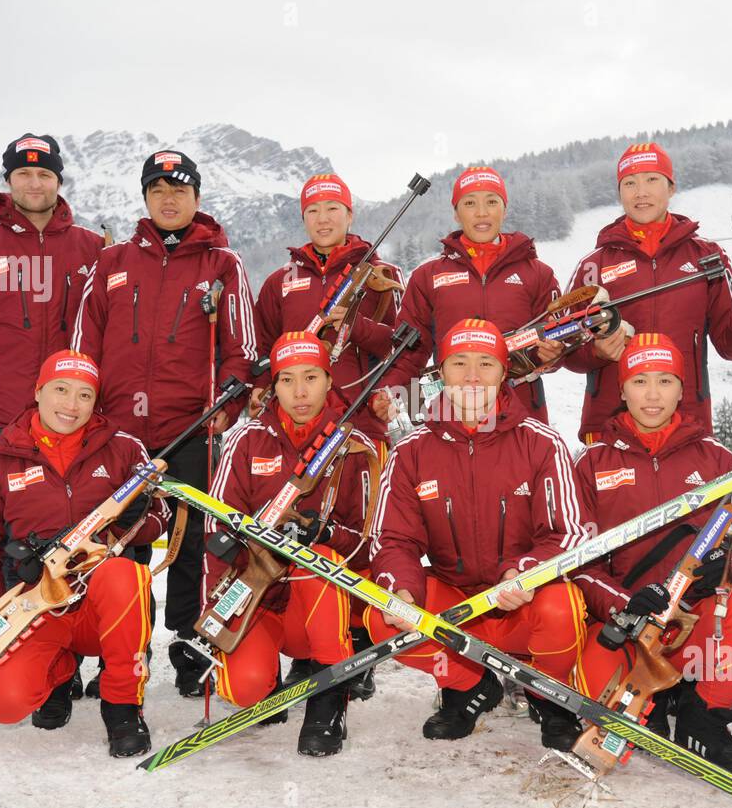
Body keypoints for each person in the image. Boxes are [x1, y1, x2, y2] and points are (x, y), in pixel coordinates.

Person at [72, 149, 255, 695]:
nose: (168, 198)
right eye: (158, 190)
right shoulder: (112, 263)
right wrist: (86, 411)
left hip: (192, 429)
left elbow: (241, 352)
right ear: (146, 198)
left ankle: (185, 644)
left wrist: (229, 403)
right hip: (118, 432)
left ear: (196, 198)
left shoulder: (223, 264)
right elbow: (83, 344)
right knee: (117, 540)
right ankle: (117, 647)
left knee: (192, 539)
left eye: (179, 189)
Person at [366, 319, 589, 748]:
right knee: (382, 613)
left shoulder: (542, 443)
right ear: (440, 373)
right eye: (459, 363)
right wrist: (402, 589)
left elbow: (568, 534)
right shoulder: (412, 451)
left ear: (505, 373)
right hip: (458, 606)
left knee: (563, 606)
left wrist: (523, 572)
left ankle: (550, 694)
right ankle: (468, 683)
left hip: (521, 602)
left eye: (486, 364)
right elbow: (394, 539)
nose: (472, 376)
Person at [571, 334, 732, 779]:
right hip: (625, 625)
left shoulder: (717, 458)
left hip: (692, 619)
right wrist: (623, 602)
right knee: (595, 703)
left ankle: (702, 716)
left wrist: (721, 573)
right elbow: (576, 563)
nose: (652, 394)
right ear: (622, 389)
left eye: (665, 381)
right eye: (640, 380)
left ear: (682, 390)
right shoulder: (591, 463)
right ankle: (656, 697)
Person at [0, 350, 168, 757]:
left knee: (125, 575)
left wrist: (131, 523)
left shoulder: (126, 450)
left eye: (85, 395)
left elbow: (160, 514)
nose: (71, 405)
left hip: (102, 604)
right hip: (38, 607)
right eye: (60, 390)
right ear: (37, 392)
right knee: (5, 703)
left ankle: (122, 706)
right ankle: (58, 672)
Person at [201, 333, 377, 756]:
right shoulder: (246, 440)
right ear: (272, 386)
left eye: (311, 378)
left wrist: (325, 534)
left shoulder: (355, 445)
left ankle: (330, 699)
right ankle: (268, 682)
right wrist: (216, 610)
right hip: (257, 596)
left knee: (323, 559)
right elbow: (215, 530)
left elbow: (369, 545)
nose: (300, 392)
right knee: (244, 691)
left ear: (329, 380)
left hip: (317, 606)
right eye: (287, 380)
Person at [563, 143, 732, 444]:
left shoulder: (708, 257)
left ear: (672, 188)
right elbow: (565, 347)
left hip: (687, 422)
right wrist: (596, 352)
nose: (640, 192)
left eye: (652, 180)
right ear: (619, 193)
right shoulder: (594, 265)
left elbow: (731, 347)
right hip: (610, 426)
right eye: (630, 183)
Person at [0, 133, 103, 464]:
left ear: (59, 180)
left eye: (45, 174)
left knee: (63, 516)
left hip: (69, 418)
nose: (35, 183)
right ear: (8, 179)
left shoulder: (94, 247)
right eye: (24, 174)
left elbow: (111, 337)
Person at [373, 167, 565, 426]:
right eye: (470, 203)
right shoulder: (427, 276)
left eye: (492, 201)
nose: (482, 212)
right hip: (451, 413)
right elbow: (410, 352)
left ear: (504, 209)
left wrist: (552, 355)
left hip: (521, 411)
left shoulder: (538, 273)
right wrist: (391, 390)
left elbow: (560, 345)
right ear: (456, 212)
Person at [251, 172, 405, 451]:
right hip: (293, 428)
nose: (323, 218)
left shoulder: (381, 275)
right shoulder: (279, 281)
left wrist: (355, 326)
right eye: (313, 210)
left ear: (350, 215)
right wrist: (260, 387)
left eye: (333, 208)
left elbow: (402, 345)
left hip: (363, 423)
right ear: (303, 219)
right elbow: (263, 345)